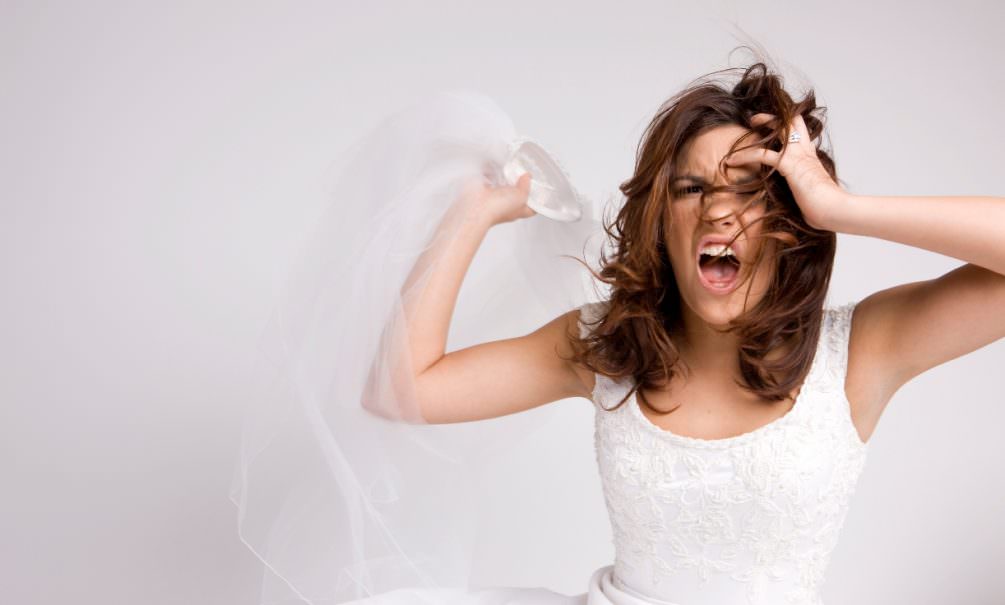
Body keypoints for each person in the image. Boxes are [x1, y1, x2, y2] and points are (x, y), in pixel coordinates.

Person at [231, 60, 1005, 605]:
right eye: (690, 188)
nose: (718, 209)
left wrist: (840, 207)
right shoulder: (604, 345)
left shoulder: (861, 351)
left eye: (750, 189)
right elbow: (399, 389)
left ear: (788, 221)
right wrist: (472, 213)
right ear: (660, 225)